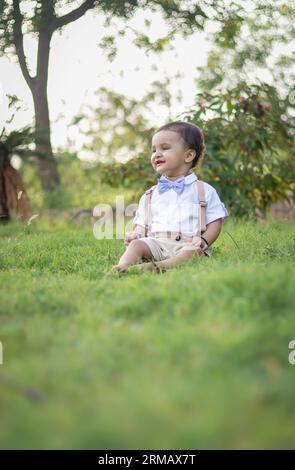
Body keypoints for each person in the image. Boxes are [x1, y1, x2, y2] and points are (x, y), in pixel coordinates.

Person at [112, 121, 229, 273]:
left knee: (190, 252)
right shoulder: (150, 195)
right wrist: (136, 235)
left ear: (188, 155)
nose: (157, 154)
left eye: (165, 148)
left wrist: (204, 240)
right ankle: (122, 267)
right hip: (156, 243)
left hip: (188, 243)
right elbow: (142, 224)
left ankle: (157, 267)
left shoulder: (204, 190)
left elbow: (215, 222)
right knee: (137, 245)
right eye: (154, 150)